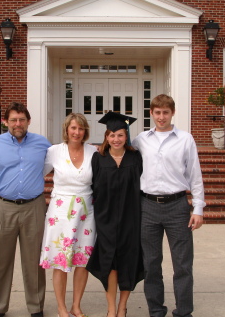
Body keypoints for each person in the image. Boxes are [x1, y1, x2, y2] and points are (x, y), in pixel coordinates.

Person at [0, 101, 51, 317]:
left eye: (22, 120)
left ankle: (36, 307)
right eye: (14, 120)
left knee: (34, 262)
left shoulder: (42, 144)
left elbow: (59, 162)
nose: (18, 124)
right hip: (1, 207)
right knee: (0, 261)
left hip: (33, 208)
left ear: (28, 121)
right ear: (5, 121)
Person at [131, 94, 205, 317]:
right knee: (151, 264)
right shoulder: (140, 140)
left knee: (182, 264)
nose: (161, 117)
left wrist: (198, 209)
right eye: (157, 112)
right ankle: (156, 310)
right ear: (151, 114)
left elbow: (195, 175)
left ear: (172, 113)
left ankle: (183, 311)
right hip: (148, 206)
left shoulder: (185, 139)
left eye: (165, 112)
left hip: (177, 206)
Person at [39, 113, 97, 317]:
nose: (77, 132)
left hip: (86, 212)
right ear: (66, 129)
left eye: (81, 129)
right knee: (61, 260)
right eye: (73, 128)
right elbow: (38, 173)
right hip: (61, 212)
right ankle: (61, 307)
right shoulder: (54, 151)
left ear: (85, 131)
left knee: (82, 260)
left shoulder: (93, 151)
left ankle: (76, 305)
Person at [86, 112, 144, 317]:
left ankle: (122, 307)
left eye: (120, 135)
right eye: (112, 135)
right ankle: (111, 308)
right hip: (106, 219)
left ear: (126, 136)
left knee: (128, 261)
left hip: (131, 218)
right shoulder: (98, 158)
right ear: (106, 137)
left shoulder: (136, 157)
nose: (116, 139)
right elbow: (93, 187)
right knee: (109, 263)